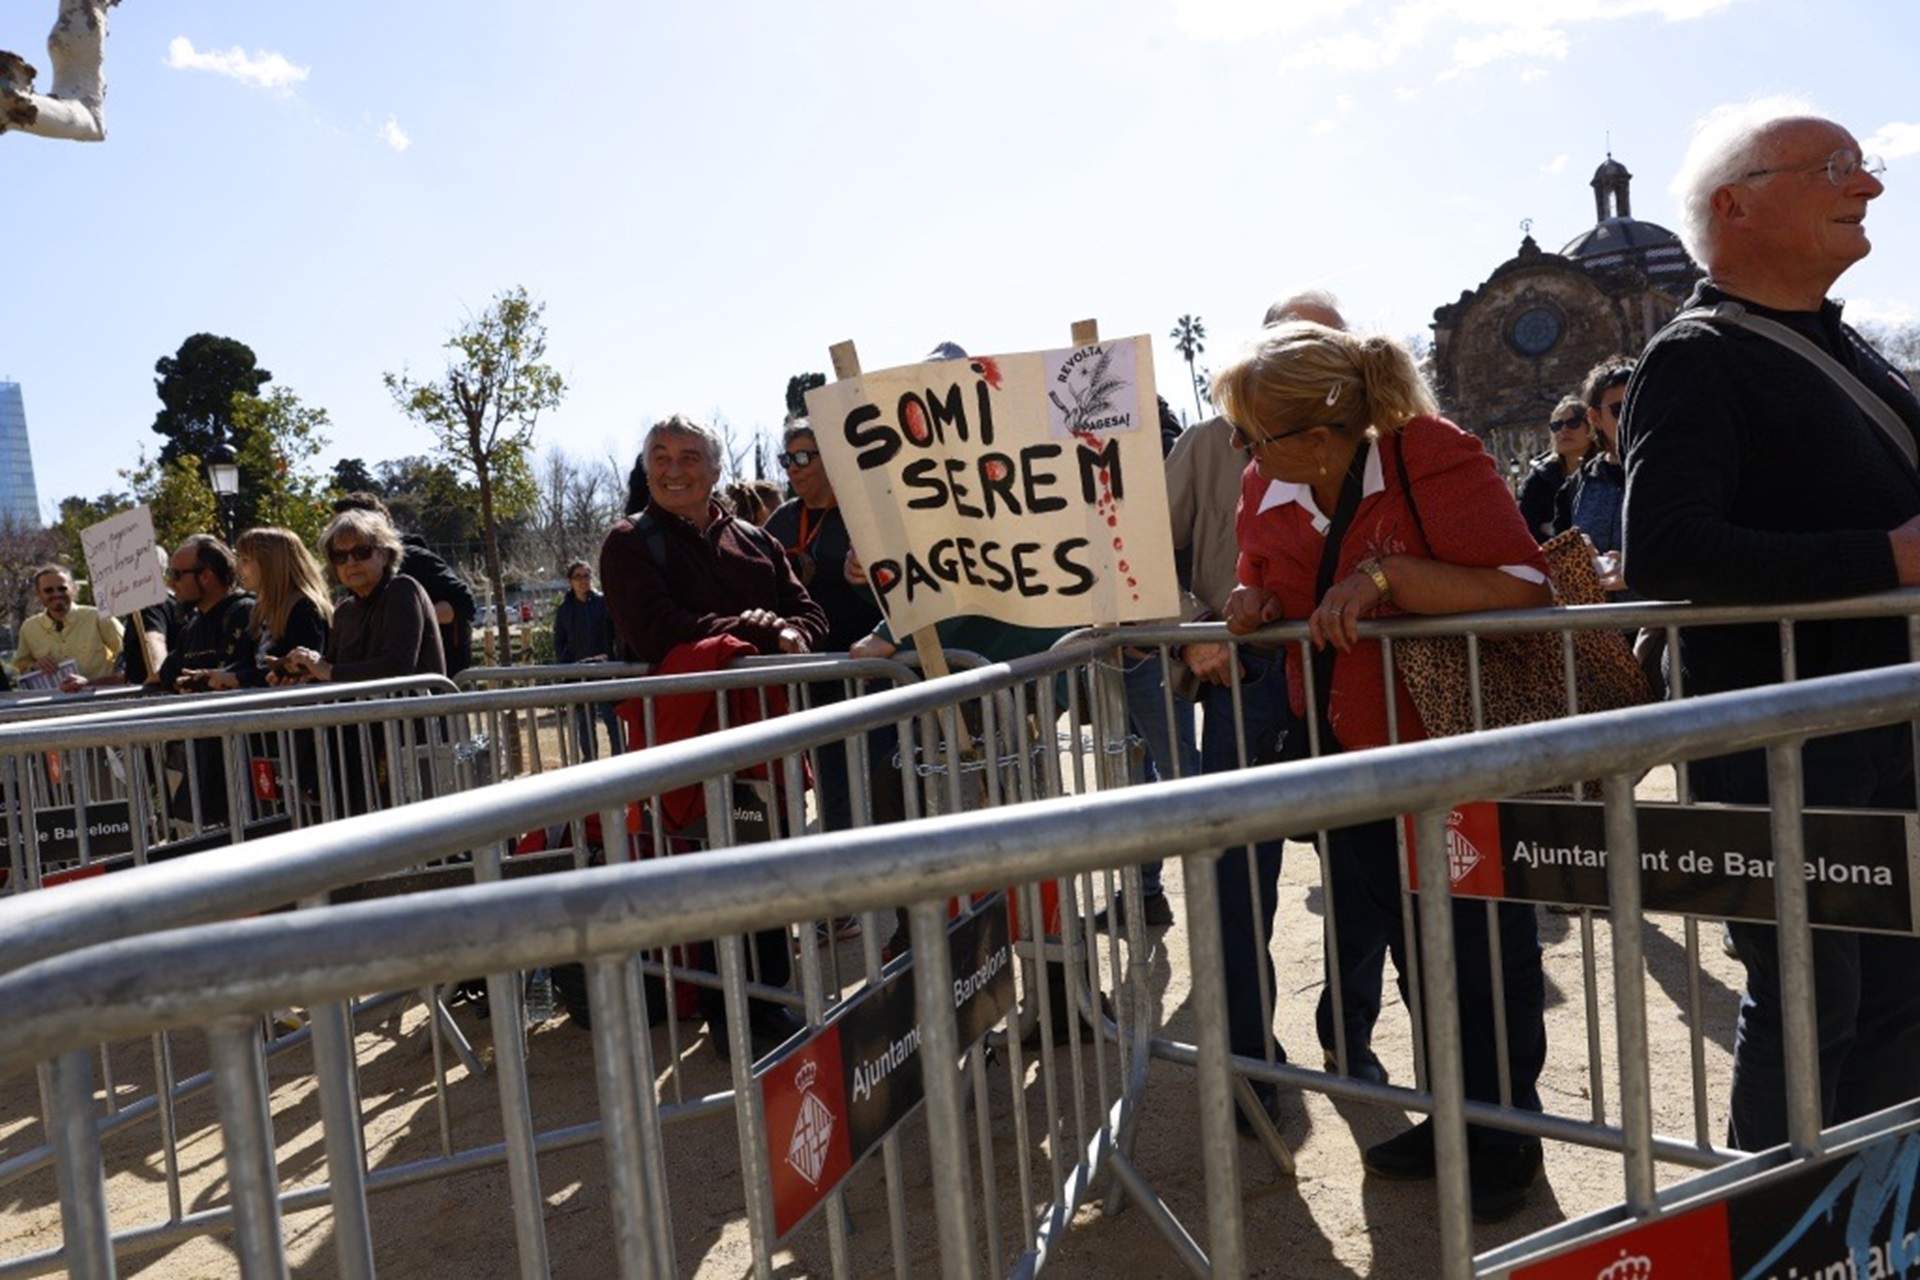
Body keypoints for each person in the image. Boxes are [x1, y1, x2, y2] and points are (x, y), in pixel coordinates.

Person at [1621, 100, 1918, 1153]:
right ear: (1735, 206)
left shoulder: (1856, 353)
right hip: (1783, 759)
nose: (1870, 184)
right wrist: (1885, 558)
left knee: (1896, 999)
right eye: (1835, 166)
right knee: (1812, 1003)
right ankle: (1769, 1237)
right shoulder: (1696, 355)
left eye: (1864, 162)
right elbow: (1664, 547)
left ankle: (1876, 1227)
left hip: (1882, 740)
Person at [1218, 321, 1551, 1221]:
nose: (1243, 451)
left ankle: (1507, 1136)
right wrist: (1253, 605)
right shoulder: (1267, 483)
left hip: (1451, 755)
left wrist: (1390, 575)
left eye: (1255, 434)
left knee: (1481, 952)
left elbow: (1524, 586)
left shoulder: (1427, 453)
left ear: (1321, 437)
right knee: (1413, 950)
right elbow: (1267, 579)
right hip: (1346, 762)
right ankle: (1455, 1118)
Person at [1165, 294, 1353, 1127]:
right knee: (1241, 884)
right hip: (1247, 684)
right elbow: (1139, 546)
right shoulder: (1210, 446)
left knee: (1373, 872)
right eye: (1294, 337)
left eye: (1328, 338)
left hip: (1361, 688)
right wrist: (1191, 629)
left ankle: (1353, 1038)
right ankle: (1248, 1063)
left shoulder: (1383, 446)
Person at [601, 414, 825, 1059]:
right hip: (689, 743)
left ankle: (765, 1004)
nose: (675, 468)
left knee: (766, 857)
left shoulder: (755, 537)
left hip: (762, 738)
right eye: (661, 455)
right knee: (704, 869)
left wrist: (791, 633)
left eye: (690, 455)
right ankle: (726, 1013)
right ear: (646, 468)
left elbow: (807, 613)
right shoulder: (628, 542)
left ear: (716, 467)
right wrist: (758, 630)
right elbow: (656, 630)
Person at [764, 418, 882, 839]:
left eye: (803, 457)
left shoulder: (861, 513)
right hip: (816, 680)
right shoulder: (779, 523)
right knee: (834, 791)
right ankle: (844, 894)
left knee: (885, 785)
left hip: (873, 675)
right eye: (787, 458)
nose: (792, 468)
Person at [281, 510, 446, 684]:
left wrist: (328, 670)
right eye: (340, 556)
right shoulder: (344, 611)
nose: (351, 562)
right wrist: (303, 671)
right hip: (365, 709)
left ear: (384, 554)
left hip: (415, 709)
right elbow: (334, 674)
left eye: (362, 552)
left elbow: (397, 666)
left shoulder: (402, 589)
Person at [331, 493, 478, 675]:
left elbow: (464, 604)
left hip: (437, 679)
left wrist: (410, 621)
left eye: (360, 549)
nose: (350, 559)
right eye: (340, 553)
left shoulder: (414, 560)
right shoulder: (353, 580)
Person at [202, 528, 332, 690]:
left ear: (271, 564)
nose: (238, 567)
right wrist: (211, 676)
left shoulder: (305, 608)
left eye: (246, 560)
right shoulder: (260, 610)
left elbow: (301, 670)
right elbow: (251, 664)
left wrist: (236, 678)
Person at [1552, 357, 1635, 570]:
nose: (1633, 417)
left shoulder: (1673, 472)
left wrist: (1634, 569)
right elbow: (1558, 563)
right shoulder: (1577, 485)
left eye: (1640, 406)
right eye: (1620, 410)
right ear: (1595, 417)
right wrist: (1575, 554)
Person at [157, 535, 255, 692]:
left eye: (177, 575)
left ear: (205, 576)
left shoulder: (246, 614)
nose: (171, 584)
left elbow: (257, 674)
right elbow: (167, 676)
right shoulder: (190, 629)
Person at [552, 559, 623, 759]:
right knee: (585, 723)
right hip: (579, 673)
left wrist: (614, 659)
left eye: (586, 576)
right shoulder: (565, 610)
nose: (583, 581)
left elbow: (616, 633)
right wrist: (566, 668)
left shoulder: (603, 603)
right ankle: (590, 762)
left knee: (613, 720)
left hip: (605, 671)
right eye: (578, 577)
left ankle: (621, 761)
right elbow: (559, 642)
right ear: (570, 581)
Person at [11, 564, 122, 691]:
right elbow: (22, 667)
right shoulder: (29, 628)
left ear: (74, 589)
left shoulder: (98, 617)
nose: (57, 594)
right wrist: (34, 667)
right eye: (48, 590)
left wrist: (90, 683)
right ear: (39, 594)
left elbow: (129, 656)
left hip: (101, 697)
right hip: (56, 705)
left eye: (62, 588)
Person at [1516, 396, 1594, 542]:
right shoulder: (1539, 478)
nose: (1564, 430)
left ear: (1591, 427)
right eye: (1556, 425)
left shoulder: (1607, 472)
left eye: (1573, 423)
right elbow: (1525, 530)